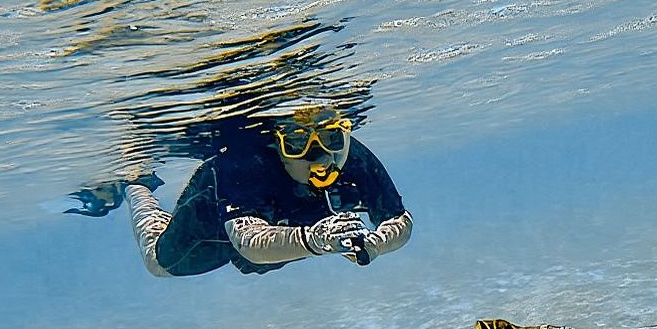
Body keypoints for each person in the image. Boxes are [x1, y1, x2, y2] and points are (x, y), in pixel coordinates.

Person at [72, 105, 412, 277]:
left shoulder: (354, 156)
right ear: (278, 146)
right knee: (158, 263)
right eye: (297, 143)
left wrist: (376, 243)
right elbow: (249, 243)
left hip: (284, 230)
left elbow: (400, 220)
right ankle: (137, 183)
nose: (318, 154)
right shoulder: (248, 164)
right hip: (214, 222)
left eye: (331, 140)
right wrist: (314, 239)